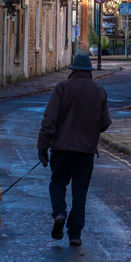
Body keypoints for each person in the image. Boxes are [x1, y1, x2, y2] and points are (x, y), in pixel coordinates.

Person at [37, 53, 111, 246]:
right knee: (80, 191)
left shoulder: (62, 88)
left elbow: (49, 121)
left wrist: (43, 147)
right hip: (86, 151)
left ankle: (60, 213)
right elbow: (105, 122)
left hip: (62, 149)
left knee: (57, 183)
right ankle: (75, 234)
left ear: (72, 71)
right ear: (89, 72)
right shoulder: (99, 91)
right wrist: (91, 131)